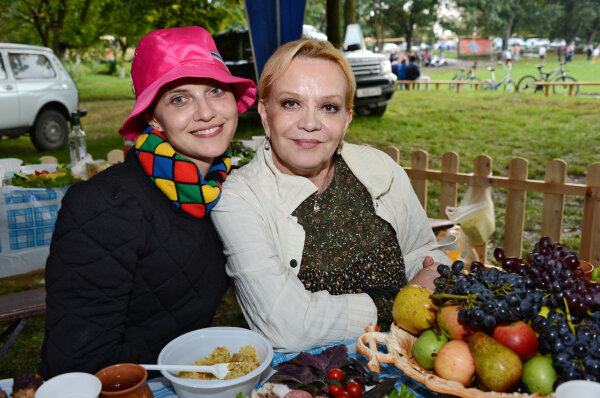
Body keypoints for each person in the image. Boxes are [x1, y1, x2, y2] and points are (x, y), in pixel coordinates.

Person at [39, 26, 257, 378]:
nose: (206, 112)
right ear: (154, 117)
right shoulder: (105, 206)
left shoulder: (224, 189)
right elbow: (77, 363)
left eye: (215, 90)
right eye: (179, 99)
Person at [211, 38, 454, 353]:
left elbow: (426, 255)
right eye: (290, 103)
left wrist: (431, 274)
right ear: (264, 113)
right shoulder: (237, 199)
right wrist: (403, 304)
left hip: (409, 361)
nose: (310, 123)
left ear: (347, 119)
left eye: (329, 107)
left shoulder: (380, 168)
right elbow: (288, 327)